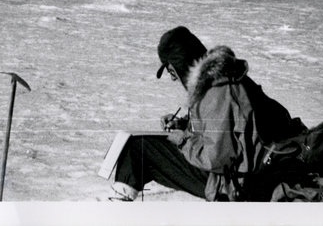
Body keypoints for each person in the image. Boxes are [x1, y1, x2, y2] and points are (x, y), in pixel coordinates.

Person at [110, 26, 305, 201]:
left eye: (171, 71)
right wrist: (185, 125)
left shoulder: (215, 92)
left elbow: (216, 158)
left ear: (180, 65)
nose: (173, 79)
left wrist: (183, 141)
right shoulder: (226, 77)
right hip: (255, 169)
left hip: (234, 183)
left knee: (138, 149)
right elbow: (227, 127)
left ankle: (119, 210)